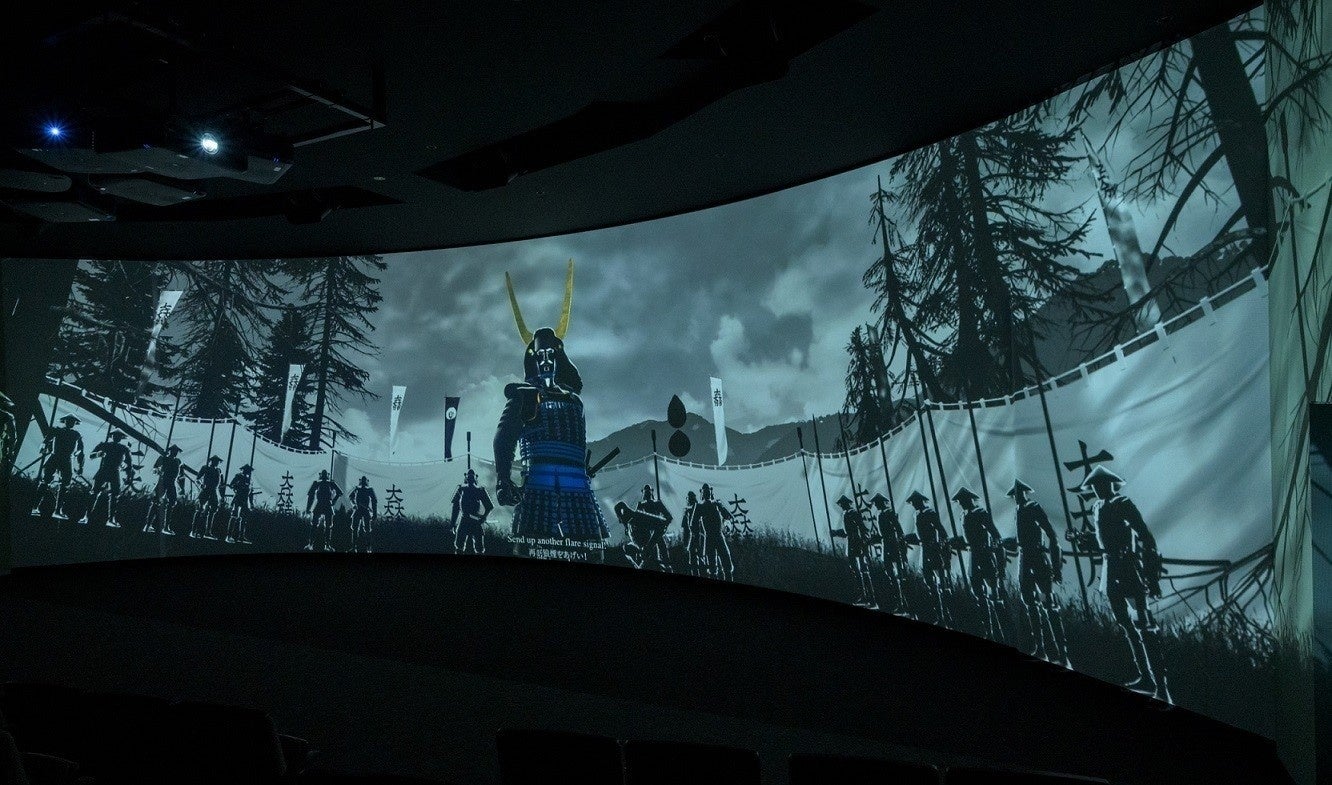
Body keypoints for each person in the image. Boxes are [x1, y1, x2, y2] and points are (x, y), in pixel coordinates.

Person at [493, 264, 606, 547]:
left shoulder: (574, 400)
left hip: (577, 487)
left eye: (551, 354)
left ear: (559, 357)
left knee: (589, 549)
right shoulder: (525, 395)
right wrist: (503, 479)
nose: (545, 360)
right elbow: (504, 437)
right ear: (532, 359)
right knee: (533, 546)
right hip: (538, 486)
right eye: (539, 355)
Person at [1081, 466, 1169, 702]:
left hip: (1128, 568)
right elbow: (1104, 539)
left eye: (1102, 485)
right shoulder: (1096, 507)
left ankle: (1160, 685)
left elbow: (1145, 537)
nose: (1098, 489)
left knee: (1144, 625)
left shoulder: (1123, 503)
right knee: (1125, 623)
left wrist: (1151, 575)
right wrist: (1087, 541)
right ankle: (1146, 677)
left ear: (1111, 484)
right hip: (1110, 568)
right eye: (1095, 486)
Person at [1008, 479, 1070, 667]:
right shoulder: (1018, 510)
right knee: (1030, 603)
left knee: (1048, 603)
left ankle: (1062, 653)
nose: (1017, 497)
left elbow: (1051, 535)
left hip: (1038, 560)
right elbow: (1020, 539)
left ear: (1025, 493)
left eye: (1019, 493)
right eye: (1015, 494)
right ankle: (1041, 647)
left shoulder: (1033, 507)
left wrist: (1056, 566)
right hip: (1025, 561)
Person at [953, 486, 1007, 642]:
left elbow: (995, 535)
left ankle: (1002, 633)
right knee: (978, 595)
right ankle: (989, 631)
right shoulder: (963, 516)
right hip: (974, 556)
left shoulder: (981, 513)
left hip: (985, 555)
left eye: (963, 500)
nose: (961, 503)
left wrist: (999, 559)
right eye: (959, 501)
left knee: (994, 594)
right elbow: (966, 539)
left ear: (969, 500)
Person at [907, 490, 952, 626]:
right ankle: (939, 615)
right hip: (924, 550)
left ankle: (947, 615)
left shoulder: (930, 513)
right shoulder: (916, 514)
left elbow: (941, 530)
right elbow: (918, 534)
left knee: (941, 583)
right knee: (929, 584)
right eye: (912, 502)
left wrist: (941, 545)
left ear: (920, 501)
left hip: (933, 550)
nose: (913, 505)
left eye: (915, 502)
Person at [32, 414, 84, 520]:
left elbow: (80, 451)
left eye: (72, 421)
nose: (70, 423)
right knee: (45, 481)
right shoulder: (56, 430)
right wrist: (43, 447)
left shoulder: (76, 434)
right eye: (68, 421)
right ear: (64, 421)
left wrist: (80, 465)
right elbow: (46, 440)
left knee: (64, 484)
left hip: (67, 459)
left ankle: (57, 510)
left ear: (75, 423)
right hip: (55, 457)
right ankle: (34, 506)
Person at [831, 494, 877, 609]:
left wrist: (863, 542)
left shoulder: (854, 513)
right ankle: (863, 595)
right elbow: (846, 532)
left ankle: (871, 598)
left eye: (842, 504)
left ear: (846, 504)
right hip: (851, 544)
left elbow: (861, 528)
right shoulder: (845, 514)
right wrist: (836, 533)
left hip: (858, 544)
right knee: (856, 571)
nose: (841, 506)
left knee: (863, 571)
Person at [79, 430, 132, 527]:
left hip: (115, 471)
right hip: (104, 470)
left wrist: (128, 476)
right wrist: (99, 454)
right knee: (94, 492)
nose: (117, 437)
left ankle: (111, 519)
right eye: (115, 436)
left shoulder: (124, 448)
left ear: (121, 438)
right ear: (112, 436)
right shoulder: (105, 445)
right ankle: (86, 516)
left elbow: (129, 464)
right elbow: (91, 455)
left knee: (114, 495)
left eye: (119, 436)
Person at [870, 493, 909, 615]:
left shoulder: (889, 513)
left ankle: (904, 603)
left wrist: (901, 544)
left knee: (899, 575)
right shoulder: (879, 514)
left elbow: (898, 529)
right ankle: (899, 602)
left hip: (893, 545)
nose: (875, 505)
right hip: (886, 545)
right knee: (890, 574)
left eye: (877, 503)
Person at [694, 483, 734, 581]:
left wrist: (727, 526)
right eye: (705, 492)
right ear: (702, 493)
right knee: (712, 567)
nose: (707, 493)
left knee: (727, 565)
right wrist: (697, 540)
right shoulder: (699, 507)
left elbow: (728, 517)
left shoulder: (716, 504)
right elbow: (693, 524)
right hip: (709, 538)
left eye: (708, 491)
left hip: (719, 536)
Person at [450, 469, 492, 555]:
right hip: (465, 519)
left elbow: (489, 506)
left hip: (475, 521)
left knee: (479, 548)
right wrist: (453, 523)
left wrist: (483, 517)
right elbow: (455, 508)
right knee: (459, 546)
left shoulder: (479, 490)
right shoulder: (461, 489)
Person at [144, 444, 183, 534]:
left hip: (171, 482)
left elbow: (179, 475)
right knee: (156, 501)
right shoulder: (163, 458)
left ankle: (166, 526)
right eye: (174, 451)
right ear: (170, 451)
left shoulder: (177, 461)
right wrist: (159, 471)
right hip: (163, 481)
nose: (175, 453)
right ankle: (148, 525)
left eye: (176, 451)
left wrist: (180, 486)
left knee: (172, 503)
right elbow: (155, 468)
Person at [636, 485, 673, 572]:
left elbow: (669, 517)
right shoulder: (641, 505)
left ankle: (666, 566)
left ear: (651, 492)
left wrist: (663, 526)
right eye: (646, 492)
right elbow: (636, 520)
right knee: (647, 554)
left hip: (657, 532)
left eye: (648, 492)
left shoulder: (657, 504)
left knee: (662, 551)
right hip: (646, 533)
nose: (647, 493)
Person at [305, 469, 343, 552]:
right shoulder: (318, 483)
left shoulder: (329, 483)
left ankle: (326, 545)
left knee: (326, 526)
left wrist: (333, 501)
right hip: (322, 505)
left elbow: (340, 492)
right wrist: (308, 508)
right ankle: (311, 544)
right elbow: (311, 496)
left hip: (326, 505)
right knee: (317, 525)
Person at [191, 456, 224, 539]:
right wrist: (201, 485)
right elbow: (197, 479)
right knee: (200, 509)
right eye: (214, 461)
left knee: (213, 509)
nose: (216, 463)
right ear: (211, 461)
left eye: (217, 461)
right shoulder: (205, 468)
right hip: (205, 490)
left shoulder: (218, 471)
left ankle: (207, 531)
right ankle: (193, 531)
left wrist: (220, 495)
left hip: (213, 491)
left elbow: (219, 485)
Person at [346, 476, 379, 553]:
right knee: (355, 529)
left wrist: (374, 514)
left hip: (365, 510)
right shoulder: (357, 488)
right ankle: (354, 547)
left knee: (367, 530)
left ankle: (368, 548)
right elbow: (351, 497)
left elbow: (374, 501)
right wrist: (354, 504)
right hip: (358, 510)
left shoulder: (369, 489)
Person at [226, 465, 255, 544]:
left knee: (244, 518)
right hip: (238, 498)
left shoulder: (250, 480)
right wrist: (237, 488)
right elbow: (231, 485)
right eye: (246, 470)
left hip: (245, 500)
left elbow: (250, 493)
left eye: (249, 471)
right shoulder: (238, 477)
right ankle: (229, 536)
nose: (247, 472)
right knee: (234, 516)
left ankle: (241, 536)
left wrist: (251, 503)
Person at [680, 490, 704, 576]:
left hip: (700, 536)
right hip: (693, 537)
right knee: (693, 559)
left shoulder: (699, 508)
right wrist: (685, 542)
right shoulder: (687, 511)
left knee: (700, 558)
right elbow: (685, 528)